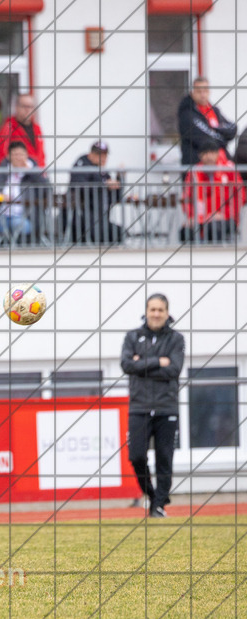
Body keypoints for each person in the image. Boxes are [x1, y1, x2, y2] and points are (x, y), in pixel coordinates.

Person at [120, 294, 184, 518]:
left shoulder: (176, 339)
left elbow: (174, 370)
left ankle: (158, 506)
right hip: (139, 407)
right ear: (146, 311)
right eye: (152, 309)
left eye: (160, 310)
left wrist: (142, 364)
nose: (156, 314)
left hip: (167, 408)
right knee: (136, 456)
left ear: (167, 313)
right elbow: (127, 365)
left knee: (164, 458)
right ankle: (154, 495)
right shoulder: (132, 337)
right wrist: (158, 361)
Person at [0, 142, 51, 244]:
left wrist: (31, 172)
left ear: (27, 155)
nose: (18, 158)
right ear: (8, 156)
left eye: (21, 154)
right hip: (0, 213)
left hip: (26, 215)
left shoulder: (34, 172)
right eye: (15, 154)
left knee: (19, 225)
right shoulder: (0, 172)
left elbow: (47, 189)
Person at [181, 139, 245, 243]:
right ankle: (192, 258)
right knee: (185, 231)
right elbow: (187, 199)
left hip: (226, 218)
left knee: (214, 228)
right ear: (200, 156)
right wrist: (192, 217)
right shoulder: (194, 173)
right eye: (205, 153)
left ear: (217, 154)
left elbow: (239, 197)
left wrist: (224, 214)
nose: (209, 156)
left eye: (212, 152)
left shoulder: (229, 170)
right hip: (201, 219)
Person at [67, 140, 124, 244]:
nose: (103, 158)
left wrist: (120, 179)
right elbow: (82, 187)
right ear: (91, 154)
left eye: (105, 155)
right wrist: (104, 184)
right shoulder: (81, 164)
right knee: (114, 233)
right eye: (99, 155)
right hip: (83, 222)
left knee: (120, 232)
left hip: (100, 220)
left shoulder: (102, 172)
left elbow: (115, 197)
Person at [178, 77, 236, 166]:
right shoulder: (187, 114)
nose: (202, 95)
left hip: (219, 167)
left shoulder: (214, 111)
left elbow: (233, 128)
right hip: (196, 167)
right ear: (192, 93)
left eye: (205, 91)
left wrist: (217, 130)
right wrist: (223, 138)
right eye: (199, 91)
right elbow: (204, 138)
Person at [0, 94, 46, 167]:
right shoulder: (8, 128)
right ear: (16, 107)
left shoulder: (37, 128)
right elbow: (0, 157)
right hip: (20, 175)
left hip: (37, 175)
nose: (27, 110)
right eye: (24, 106)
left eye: (30, 106)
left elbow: (41, 155)